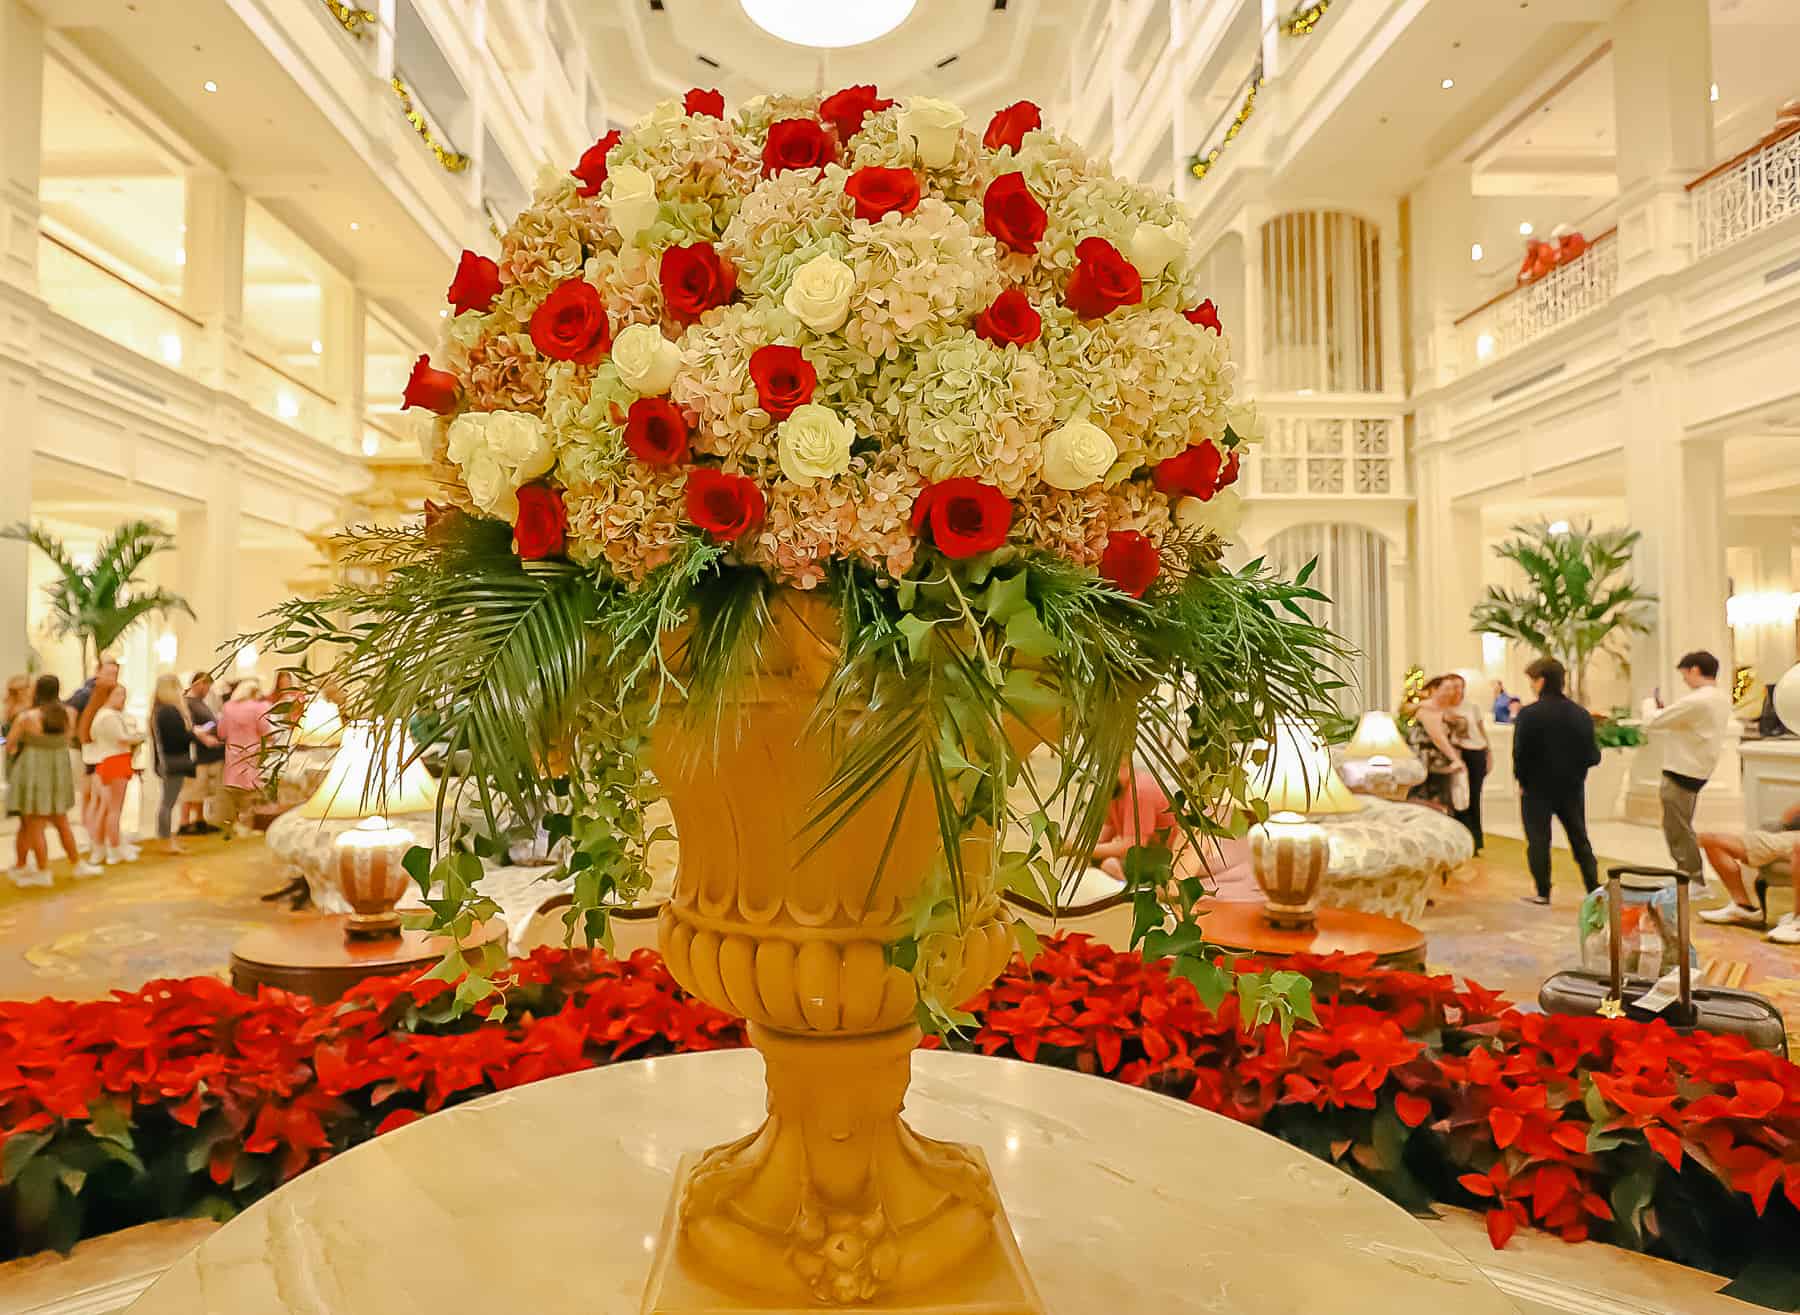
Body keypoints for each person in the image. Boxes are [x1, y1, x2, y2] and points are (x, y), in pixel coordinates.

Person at [1512, 657, 1602, 904]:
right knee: (1579, 838)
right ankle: (1594, 888)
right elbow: (1593, 755)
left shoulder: (1529, 715)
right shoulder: (1580, 714)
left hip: (1536, 788)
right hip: (1572, 787)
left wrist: (1522, 780)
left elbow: (1521, 754)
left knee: (1538, 841)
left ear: (1541, 680)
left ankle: (1543, 892)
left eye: (1532, 680)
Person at [1643, 650, 1733, 887]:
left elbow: (1653, 721)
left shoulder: (1698, 700)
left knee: (1677, 829)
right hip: (1697, 769)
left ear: (1694, 670)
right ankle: (1688, 876)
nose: (1684, 680)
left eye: (1685, 675)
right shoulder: (1719, 697)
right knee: (1680, 825)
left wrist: (1649, 705)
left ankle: (1692, 879)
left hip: (1682, 770)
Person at [4, 675, 102, 884]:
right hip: (57, 774)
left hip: (31, 773)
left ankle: (42, 872)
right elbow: (67, 738)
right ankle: (76, 863)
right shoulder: (67, 714)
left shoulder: (27, 718)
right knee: (61, 821)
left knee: (34, 824)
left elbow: (10, 745)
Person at [1697, 802, 1800, 938]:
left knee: (1798, 849)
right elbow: (1787, 819)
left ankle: (1797, 921)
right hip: (1787, 837)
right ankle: (1745, 908)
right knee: (1710, 841)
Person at [1092, 757, 1178, 880]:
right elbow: (1106, 832)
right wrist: (1084, 849)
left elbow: (1134, 846)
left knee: (1109, 864)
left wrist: (1083, 851)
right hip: (1142, 852)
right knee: (1094, 859)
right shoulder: (1113, 789)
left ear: (1126, 765)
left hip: (1166, 854)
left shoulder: (1139, 791)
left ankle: (1129, 892)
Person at [88, 683, 143, 864]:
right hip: (115, 761)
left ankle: (104, 847)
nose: (123, 699)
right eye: (119, 694)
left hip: (108, 760)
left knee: (107, 809)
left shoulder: (101, 716)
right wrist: (141, 737)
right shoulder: (109, 716)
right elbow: (122, 738)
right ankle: (114, 847)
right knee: (114, 810)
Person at [150, 673, 204, 856]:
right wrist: (195, 734)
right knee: (168, 803)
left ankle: (165, 838)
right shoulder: (169, 711)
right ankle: (165, 840)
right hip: (174, 760)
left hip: (167, 760)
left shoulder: (160, 710)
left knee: (168, 802)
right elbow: (177, 738)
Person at [216, 679, 275, 837]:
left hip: (233, 753)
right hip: (252, 752)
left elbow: (221, 732)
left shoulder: (228, 707)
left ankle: (235, 823)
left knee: (235, 790)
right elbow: (265, 730)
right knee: (250, 791)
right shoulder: (258, 707)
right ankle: (245, 825)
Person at [1405, 675, 1468, 811]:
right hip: (1429, 762)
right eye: (1446, 688)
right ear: (1434, 690)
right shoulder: (1427, 708)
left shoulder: (1445, 709)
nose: (1450, 692)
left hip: (1441, 762)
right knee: (1431, 802)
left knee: (1445, 802)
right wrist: (1456, 759)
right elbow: (1437, 737)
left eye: (1452, 689)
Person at [1449, 675, 1490, 852]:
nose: (1458, 691)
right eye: (1455, 687)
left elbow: (1481, 731)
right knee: (1459, 798)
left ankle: (1476, 841)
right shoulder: (1445, 708)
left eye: (1461, 687)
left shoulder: (1472, 707)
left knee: (1474, 796)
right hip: (1458, 752)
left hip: (1477, 753)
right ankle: (1461, 839)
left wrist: (1489, 753)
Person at [179, 672, 223, 834]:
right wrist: (204, 738)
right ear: (198, 684)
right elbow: (190, 728)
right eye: (206, 686)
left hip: (207, 753)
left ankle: (199, 819)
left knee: (202, 790)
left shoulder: (200, 703)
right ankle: (184, 822)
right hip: (196, 754)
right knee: (193, 790)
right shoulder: (187, 704)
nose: (207, 690)